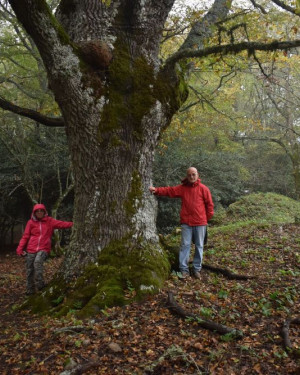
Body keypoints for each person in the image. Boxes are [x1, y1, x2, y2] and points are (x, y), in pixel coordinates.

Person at [149, 167, 214, 280]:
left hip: (200, 223)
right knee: (185, 245)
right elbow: (170, 191)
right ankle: (184, 270)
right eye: (189, 175)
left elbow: (210, 206)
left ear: (198, 175)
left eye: (193, 174)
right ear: (187, 176)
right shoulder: (183, 188)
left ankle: (196, 269)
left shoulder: (204, 189)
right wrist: (156, 190)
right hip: (186, 223)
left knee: (199, 246)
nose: (192, 177)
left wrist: (205, 219)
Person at [16, 203, 73, 295]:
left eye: (41, 211)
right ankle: (30, 290)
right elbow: (25, 236)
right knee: (30, 269)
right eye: (37, 211)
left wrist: (73, 224)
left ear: (44, 212)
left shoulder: (49, 221)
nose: (39, 212)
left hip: (43, 248)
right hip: (31, 249)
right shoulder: (30, 222)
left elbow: (62, 224)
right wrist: (20, 248)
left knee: (37, 262)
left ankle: (40, 285)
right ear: (34, 213)